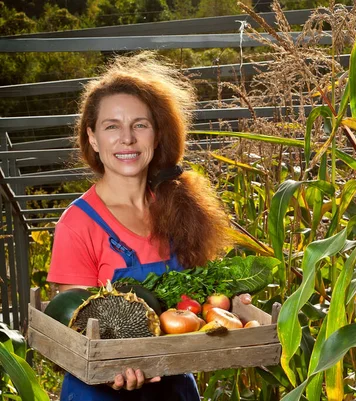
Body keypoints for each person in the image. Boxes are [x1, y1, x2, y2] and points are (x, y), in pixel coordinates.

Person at [47, 52, 231, 401]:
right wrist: (112, 369)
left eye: (140, 125)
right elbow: (73, 325)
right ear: (94, 139)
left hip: (174, 386)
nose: (127, 138)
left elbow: (199, 298)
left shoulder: (179, 208)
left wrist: (229, 302)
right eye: (112, 126)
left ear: (157, 135)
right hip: (101, 392)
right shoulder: (77, 225)